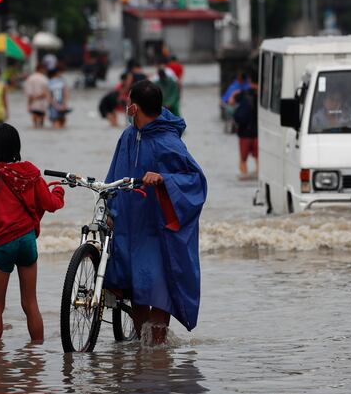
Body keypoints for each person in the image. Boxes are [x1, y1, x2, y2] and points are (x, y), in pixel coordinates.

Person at [104, 80, 207, 346]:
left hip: (157, 229)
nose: (125, 106)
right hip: (130, 226)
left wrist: (163, 178)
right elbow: (114, 174)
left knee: (158, 288)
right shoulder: (128, 136)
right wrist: (109, 206)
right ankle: (144, 349)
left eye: (127, 102)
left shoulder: (168, 142)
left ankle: (157, 350)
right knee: (137, 290)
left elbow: (195, 181)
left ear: (134, 107)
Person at [0, 123, 66, 342]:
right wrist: (58, 191)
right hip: (27, 242)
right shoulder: (31, 174)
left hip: (2, 244)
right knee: (31, 303)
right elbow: (50, 204)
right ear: (16, 146)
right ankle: (36, 354)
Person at [232, 83, 259, 177]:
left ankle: (244, 176)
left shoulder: (243, 100)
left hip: (245, 136)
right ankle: (257, 176)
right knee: (258, 159)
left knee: (243, 160)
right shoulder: (260, 99)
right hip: (257, 135)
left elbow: (238, 117)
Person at [24, 63, 50, 129]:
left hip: (33, 103)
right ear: (41, 69)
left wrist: (29, 104)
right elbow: (46, 93)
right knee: (42, 124)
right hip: (42, 104)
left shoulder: (30, 78)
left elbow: (29, 93)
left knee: (34, 125)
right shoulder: (44, 79)